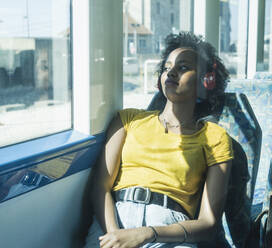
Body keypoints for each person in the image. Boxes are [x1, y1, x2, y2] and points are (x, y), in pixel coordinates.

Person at [84, 32, 234, 248]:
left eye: (182, 67)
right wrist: (115, 234)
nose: (171, 72)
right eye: (166, 68)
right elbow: (101, 186)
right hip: (114, 220)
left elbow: (209, 222)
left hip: (170, 231)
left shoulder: (215, 137)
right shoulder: (128, 119)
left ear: (205, 81)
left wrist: (148, 234)